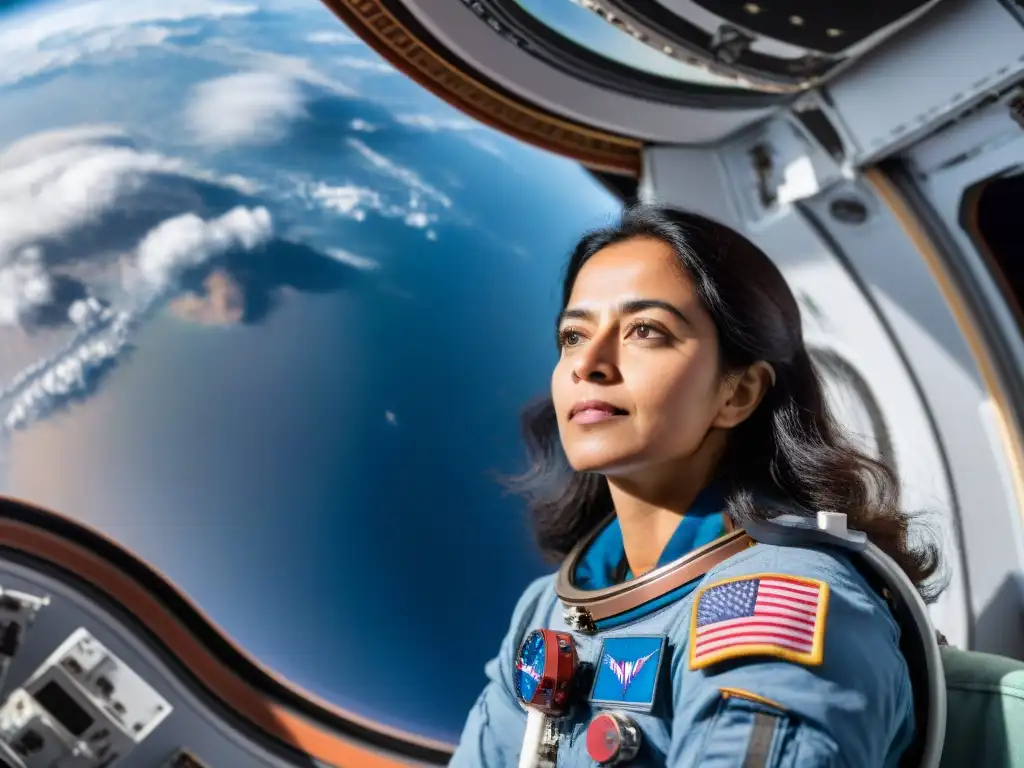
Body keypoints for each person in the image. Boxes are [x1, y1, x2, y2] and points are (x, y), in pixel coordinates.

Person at [448, 204, 941, 767]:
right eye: (573, 335)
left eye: (645, 330)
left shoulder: (781, 603)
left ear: (738, 394)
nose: (590, 363)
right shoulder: (547, 612)